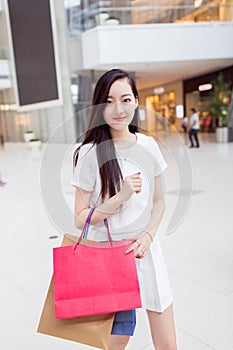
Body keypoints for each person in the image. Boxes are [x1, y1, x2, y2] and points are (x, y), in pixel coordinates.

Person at [71, 69, 177, 350]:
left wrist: (149, 235)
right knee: (115, 345)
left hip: (148, 252)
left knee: (168, 344)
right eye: (109, 101)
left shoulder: (149, 145)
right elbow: (81, 218)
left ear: (136, 102)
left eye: (125, 99)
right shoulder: (90, 153)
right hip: (111, 259)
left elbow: (159, 201)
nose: (118, 108)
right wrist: (119, 197)